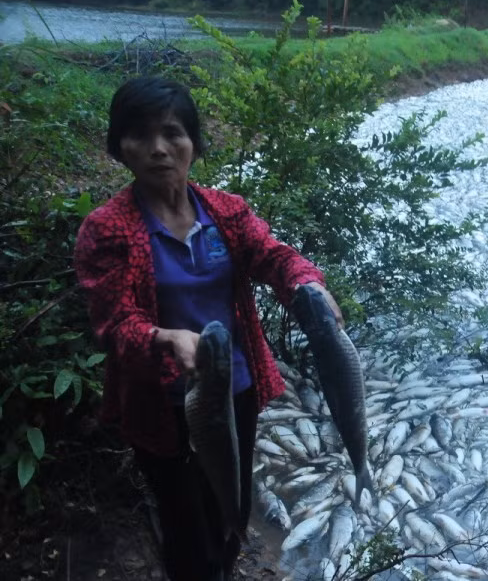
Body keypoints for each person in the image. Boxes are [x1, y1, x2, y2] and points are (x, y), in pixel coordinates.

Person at [73, 76, 343, 581]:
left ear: (194, 142)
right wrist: (164, 339)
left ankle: (224, 564)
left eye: (173, 133)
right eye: (140, 135)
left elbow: (272, 255)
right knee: (183, 520)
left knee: (230, 505)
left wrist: (307, 282)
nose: (158, 149)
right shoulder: (106, 228)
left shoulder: (225, 211)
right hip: (161, 403)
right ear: (119, 146)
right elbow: (113, 325)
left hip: (233, 388)